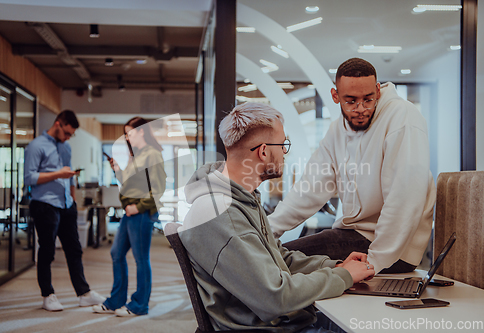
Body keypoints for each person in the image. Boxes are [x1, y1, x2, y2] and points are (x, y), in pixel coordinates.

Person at [177, 103, 374, 332]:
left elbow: (280, 260)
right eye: (283, 145)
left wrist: (337, 267)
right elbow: (275, 297)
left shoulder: (241, 199)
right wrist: (342, 276)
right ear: (263, 151)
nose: (284, 153)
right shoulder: (221, 214)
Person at [269, 58, 436, 275]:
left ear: (378, 90)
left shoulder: (402, 118)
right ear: (335, 96)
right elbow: (308, 190)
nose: (361, 109)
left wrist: (374, 262)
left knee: (279, 262)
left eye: (368, 99)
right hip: (353, 236)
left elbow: (405, 196)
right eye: (351, 101)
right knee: (276, 256)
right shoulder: (336, 131)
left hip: (392, 250)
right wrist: (265, 231)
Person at [24, 110, 105, 311]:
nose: (68, 138)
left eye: (71, 135)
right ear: (58, 124)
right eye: (67, 133)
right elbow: (29, 178)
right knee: (48, 251)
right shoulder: (36, 146)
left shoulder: (66, 147)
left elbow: (69, 175)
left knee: (75, 249)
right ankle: (47, 295)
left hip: (66, 205)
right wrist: (57, 174)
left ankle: (84, 293)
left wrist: (73, 199)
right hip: (44, 204)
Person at [93, 117, 166, 317]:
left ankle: (139, 305)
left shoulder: (152, 155)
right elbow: (129, 184)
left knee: (141, 259)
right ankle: (116, 300)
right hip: (129, 213)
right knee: (116, 253)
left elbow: (158, 190)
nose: (127, 137)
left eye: (130, 132)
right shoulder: (138, 155)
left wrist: (139, 207)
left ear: (142, 131)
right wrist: (117, 169)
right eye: (125, 134)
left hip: (141, 213)